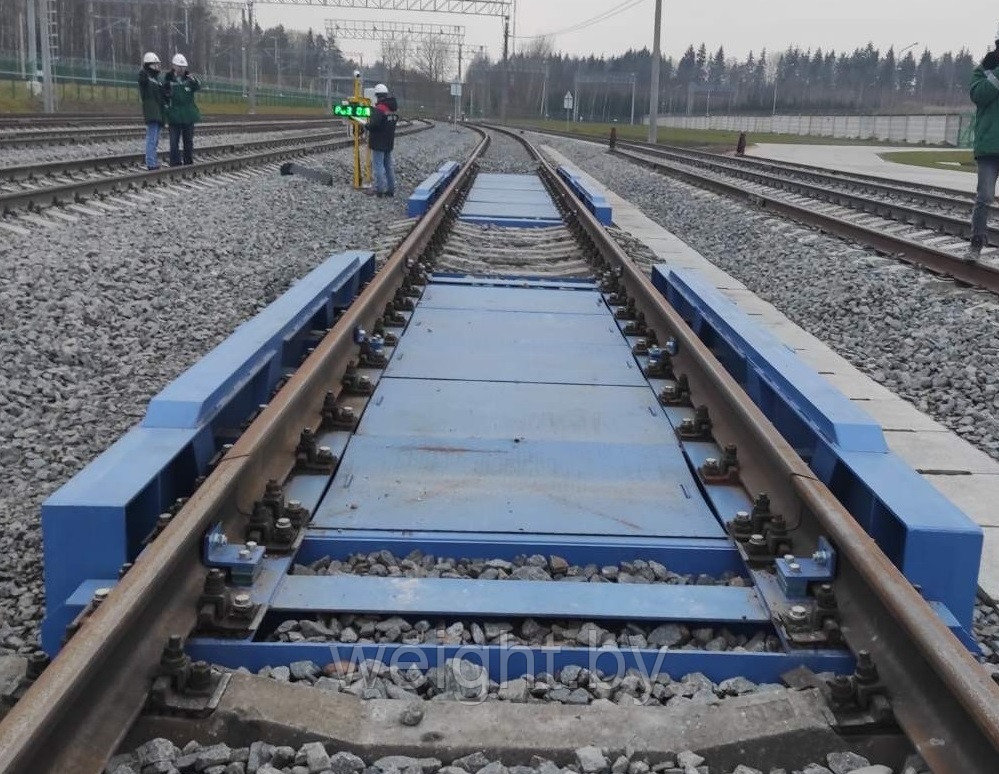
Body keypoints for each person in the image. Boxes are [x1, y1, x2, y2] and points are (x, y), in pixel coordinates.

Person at [969, 29, 999, 261]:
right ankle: (976, 245)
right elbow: (979, 96)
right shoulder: (984, 69)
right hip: (989, 148)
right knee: (984, 197)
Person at [164, 53, 201, 166]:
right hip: (174, 116)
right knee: (174, 142)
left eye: (183, 67)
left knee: (188, 141)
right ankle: (175, 163)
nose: (181, 69)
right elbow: (164, 97)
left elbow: (198, 86)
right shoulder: (168, 79)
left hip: (188, 116)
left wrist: (193, 79)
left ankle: (188, 162)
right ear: (174, 66)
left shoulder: (189, 80)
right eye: (179, 66)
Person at [367, 83, 399, 198]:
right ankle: (391, 189)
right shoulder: (393, 108)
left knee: (378, 166)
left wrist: (366, 126)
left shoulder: (380, 109)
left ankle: (379, 189)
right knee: (388, 166)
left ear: (377, 95)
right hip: (389, 142)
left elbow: (373, 124)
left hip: (378, 142)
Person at [137, 52, 167, 170]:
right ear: (150, 64)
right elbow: (142, 80)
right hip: (152, 112)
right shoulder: (146, 77)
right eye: (156, 64)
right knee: (152, 138)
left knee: (155, 140)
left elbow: (162, 96)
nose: (158, 66)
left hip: (158, 112)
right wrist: (144, 69)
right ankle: (150, 163)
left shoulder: (157, 80)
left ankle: (153, 161)